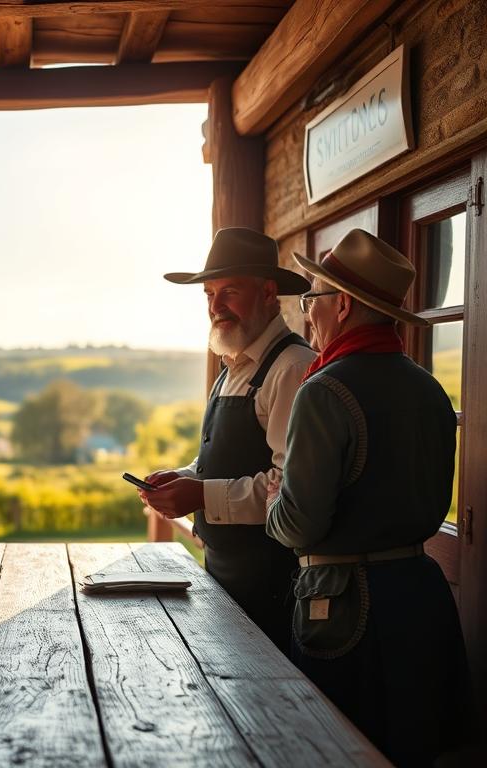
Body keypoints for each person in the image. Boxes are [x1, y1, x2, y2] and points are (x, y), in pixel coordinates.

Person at [266, 228, 473, 766]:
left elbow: (299, 524)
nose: (307, 313)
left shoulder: (322, 391)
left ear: (344, 304)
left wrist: (273, 502)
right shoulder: (429, 389)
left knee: (336, 752)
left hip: (344, 611)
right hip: (421, 601)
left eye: (312, 299)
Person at [139, 227, 315, 652]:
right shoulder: (231, 368)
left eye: (229, 291)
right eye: (209, 295)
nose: (216, 306)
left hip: (270, 587)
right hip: (223, 577)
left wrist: (200, 495)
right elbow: (226, 463)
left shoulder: (291, 368)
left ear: (269, 293)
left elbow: (285, 489)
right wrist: (180, 477)